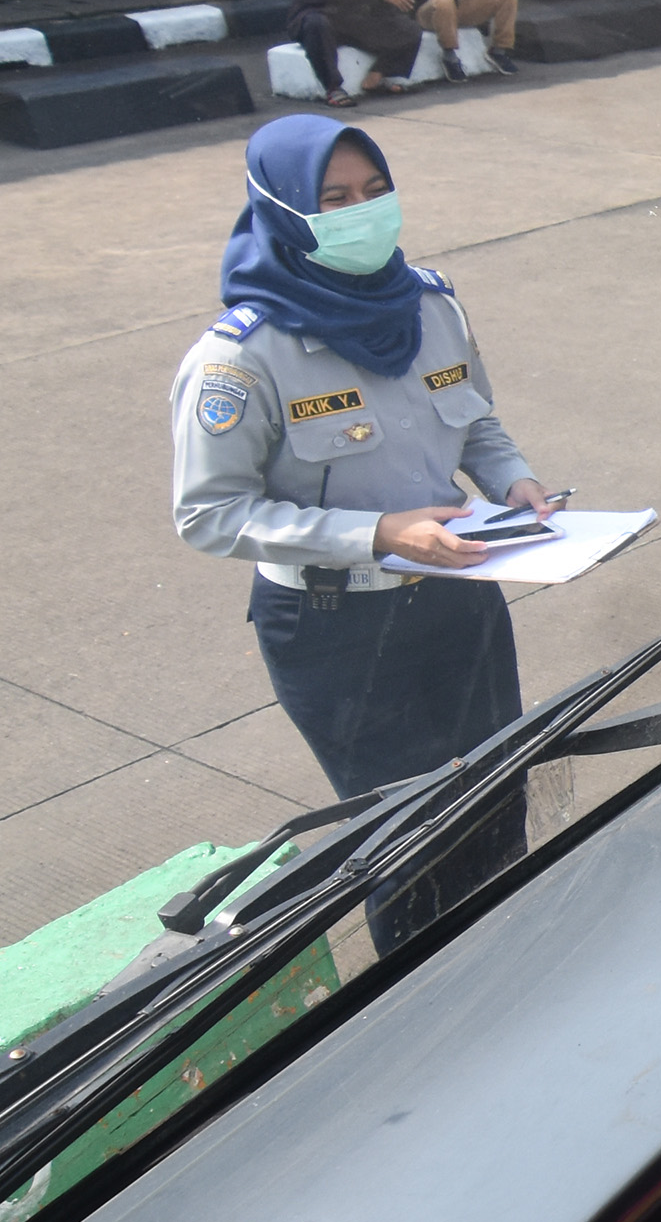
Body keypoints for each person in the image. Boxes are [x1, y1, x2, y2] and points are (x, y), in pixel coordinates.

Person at [169, 115, 558, 949]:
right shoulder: (241, 359)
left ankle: (516, 982)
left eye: (375, 192)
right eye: (334, 198)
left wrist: (514, 479)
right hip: (335, 630)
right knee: (408, 844)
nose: (363, 213)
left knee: (496, 800)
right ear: (281, 211)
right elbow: (208, 513)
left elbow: (476, 418)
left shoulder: (429, 303)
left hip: (460, 596)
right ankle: (427, 1022)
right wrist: (378, 534)